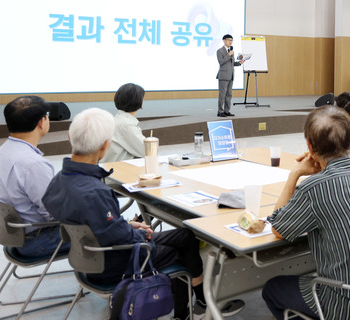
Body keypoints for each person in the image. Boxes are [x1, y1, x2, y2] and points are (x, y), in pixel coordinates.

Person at [42, 108, 245, 320]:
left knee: (186, 236)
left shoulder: (59, 180)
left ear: (70, 138)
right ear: (105, 145)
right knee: (181, 254)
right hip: (115, 261)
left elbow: (94, 223)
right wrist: (138, 233)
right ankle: (187, 310)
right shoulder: (96, 192)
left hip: (87, 257)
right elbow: (120, 237)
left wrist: (128, 226)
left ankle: (198, 303)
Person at [262, 106, 350, 320]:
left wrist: (295, 174)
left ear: (310, 147)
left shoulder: (313, 189)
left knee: (273, 288)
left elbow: (278, 228)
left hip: (349, 309)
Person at [0, 96, 67, 258]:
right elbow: (54, 213)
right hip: (39, 240)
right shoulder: (34, 165)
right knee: (104, 230)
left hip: (13, 236)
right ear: (42, 122)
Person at [101, 82, 146, 162]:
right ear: (138, 101)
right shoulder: (126, 124)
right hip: (119, 168)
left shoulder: (118, 119)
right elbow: (146, 150)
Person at [216, 34, 245, 117]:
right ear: (224, 40)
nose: (230, 42)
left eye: (231, 40)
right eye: (229, 40)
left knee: (229, 94)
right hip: (223, 76)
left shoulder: (231, 51)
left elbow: (231, 64)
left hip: (231, 75)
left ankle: (226, 111)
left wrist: (239, 63)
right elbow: (221, 62)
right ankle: (220, 111)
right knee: (222, 95)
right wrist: (228, 55)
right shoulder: (220, 51)